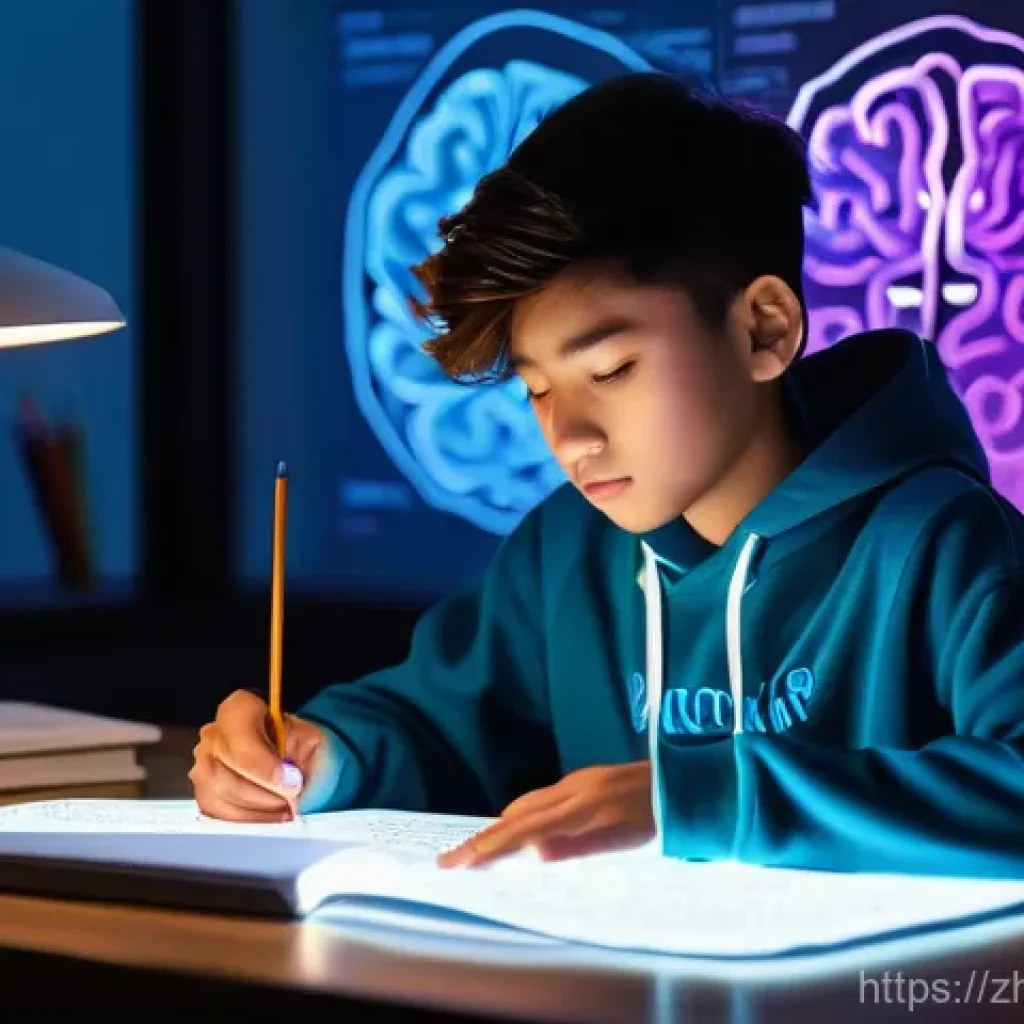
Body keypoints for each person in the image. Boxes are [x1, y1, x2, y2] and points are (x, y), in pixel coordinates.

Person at [191, 72, 1024, 877]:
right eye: (538, 389)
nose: (572, 436)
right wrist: (323, 757)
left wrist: (696, 801)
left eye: (615, 369)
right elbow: (434, 724)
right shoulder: (565, 551)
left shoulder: (942, 541)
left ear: (764, 329)